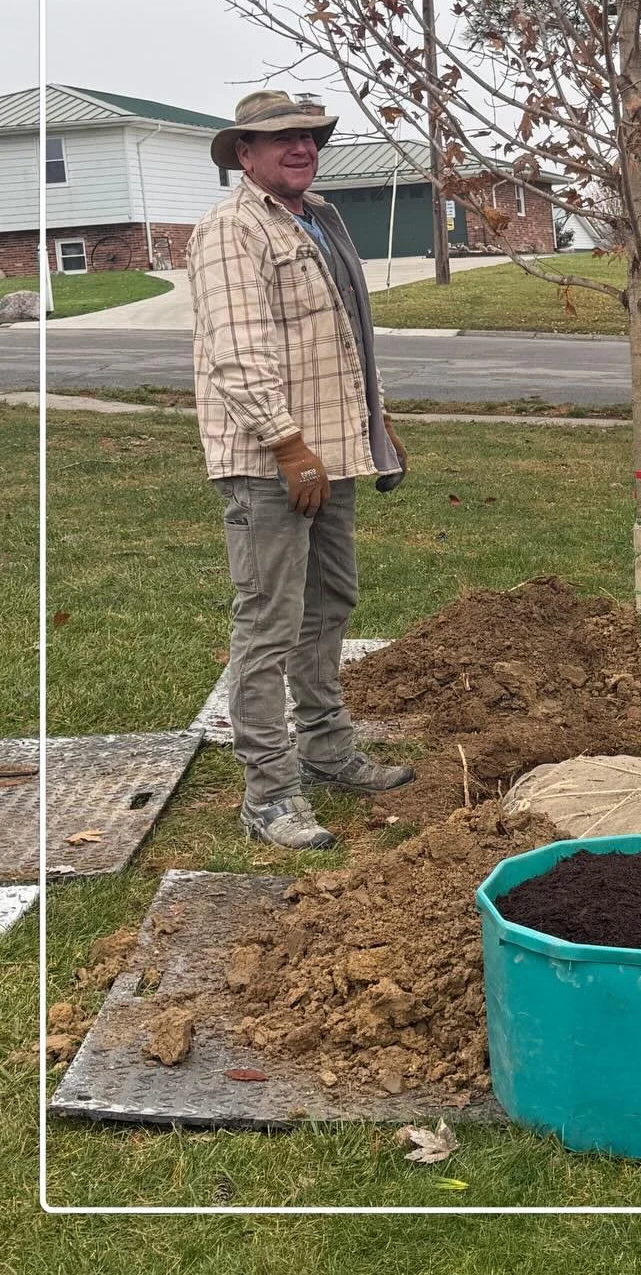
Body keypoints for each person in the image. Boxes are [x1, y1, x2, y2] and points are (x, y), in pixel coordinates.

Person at [189, 90, 414, 850]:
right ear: (244, 154)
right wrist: (287, 444)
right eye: (280, 138)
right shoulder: (232, 230)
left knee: (330, 605)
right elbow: (237, 352)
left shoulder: (317, 218)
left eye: (309, 136)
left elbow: (347, 335)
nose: (300, 147)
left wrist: (374, 421)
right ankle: (268, 794)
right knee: (269, 621)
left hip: (332, 455)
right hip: (268, 462)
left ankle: (325, 749)